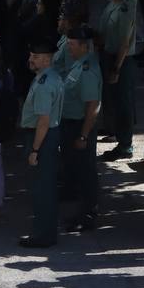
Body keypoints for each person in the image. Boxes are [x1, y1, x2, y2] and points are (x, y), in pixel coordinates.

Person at [20, 36, 64, 248]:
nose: (31, 59)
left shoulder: (46, 84)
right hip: (45, 136)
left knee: (42, 189)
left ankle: (43, 235)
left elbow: (43, 121)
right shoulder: (48, 77)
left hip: (42, 138)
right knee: (43, 187)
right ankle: (43, 232)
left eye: (35, 57)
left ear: (47, 60)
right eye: (31, 55)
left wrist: (35, 149)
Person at [59, 25, 102, 233]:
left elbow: (92, 105)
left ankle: (88, 214)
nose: (69, 48)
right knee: (77, 169)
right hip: (72, 124)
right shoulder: (79, 64)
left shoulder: (88, 69)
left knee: (86, 172)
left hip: (80, 126)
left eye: (72, 44)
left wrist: (84, 135)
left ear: (84, 46)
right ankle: (80, 211)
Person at [99, 0, 138, 161]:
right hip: (109, 56)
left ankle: (125, 145)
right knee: (114, 100)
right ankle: (116, 133)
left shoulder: (124, 9)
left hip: (120, 59)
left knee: (123, 103)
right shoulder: (111, 5)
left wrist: (116, 68)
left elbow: (124, 42)